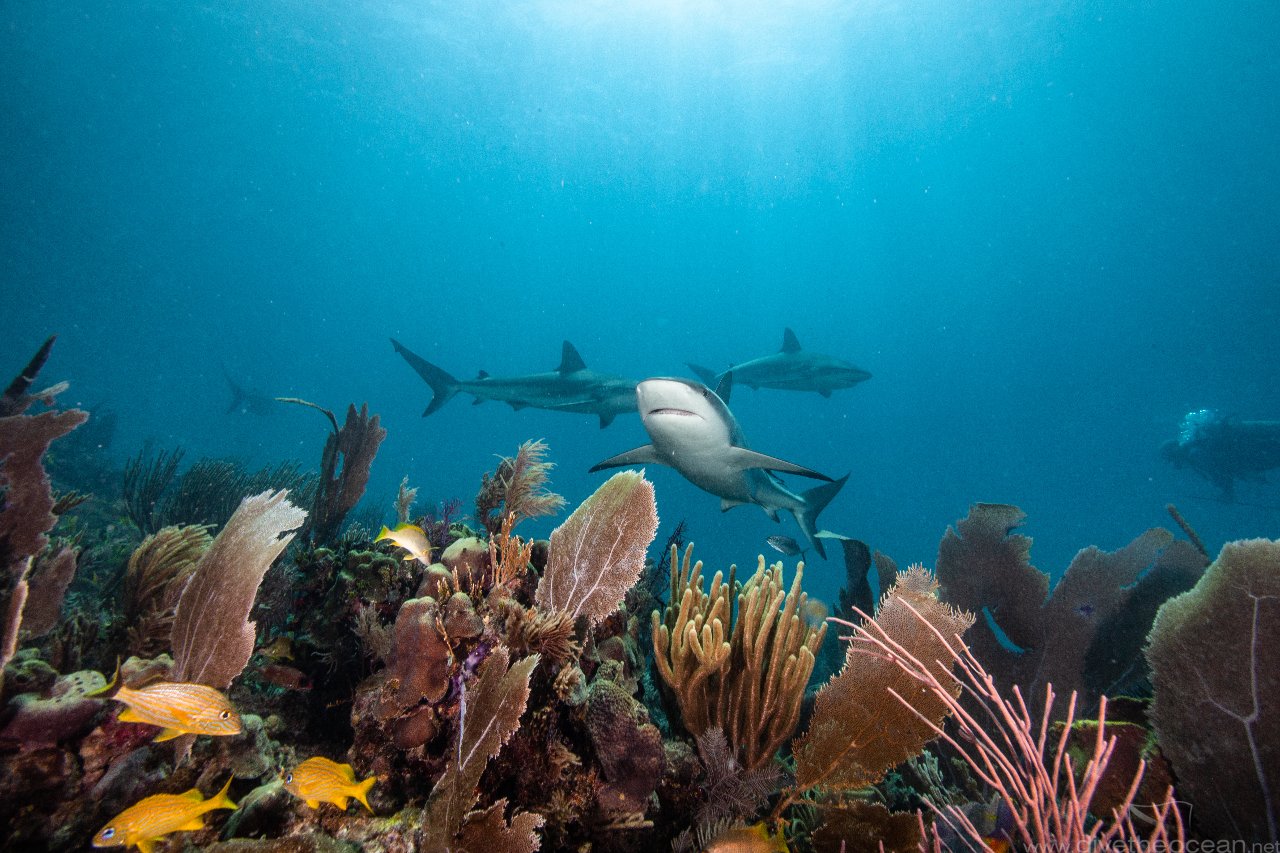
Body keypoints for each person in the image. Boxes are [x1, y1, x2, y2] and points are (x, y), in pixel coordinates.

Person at [1161, 409, 1280, 500]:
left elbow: (1218, 470)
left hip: (1250, 455)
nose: (1177, 465)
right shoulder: (1197, 445)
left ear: (1175, 453)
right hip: (1249, 450)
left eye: (1173, 460)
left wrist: (1227, 492)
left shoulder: (1194, 454)